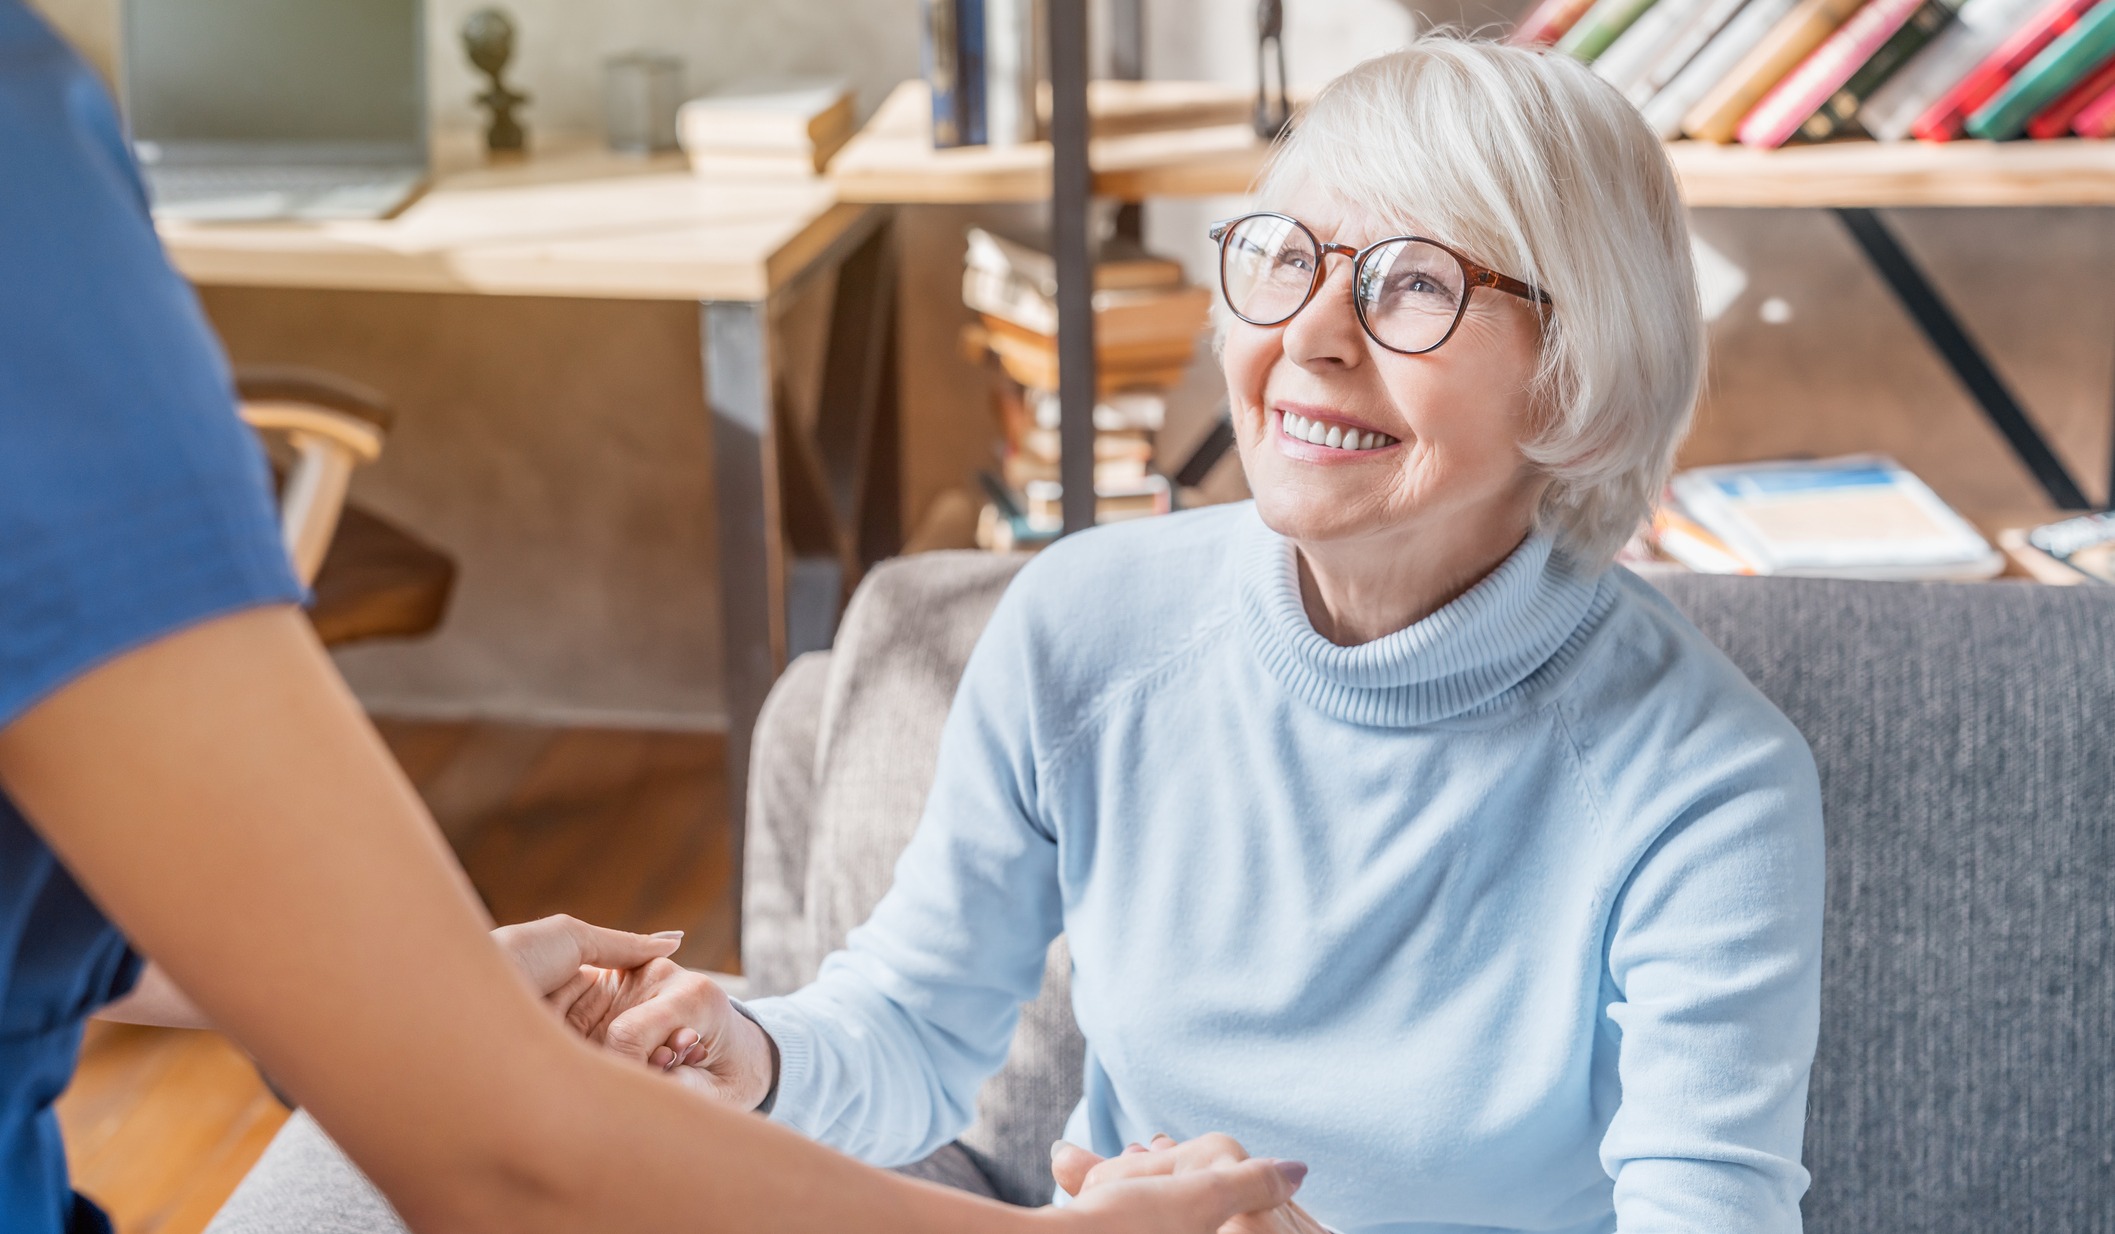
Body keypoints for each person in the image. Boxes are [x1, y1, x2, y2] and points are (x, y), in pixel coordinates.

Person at [0, 4, 1307, 1233]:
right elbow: (504, 1147)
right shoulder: (28, 183)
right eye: (1276, 261)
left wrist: (422, 978)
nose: (1316, 340)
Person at [571, 34, 1828, 1234]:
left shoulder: (1710, 786)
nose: (1312, 339)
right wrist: (752, 1052)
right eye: (1287, 257)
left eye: (1415, 283)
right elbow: (909, 1020)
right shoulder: (1084, 626)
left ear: (1580, 372)